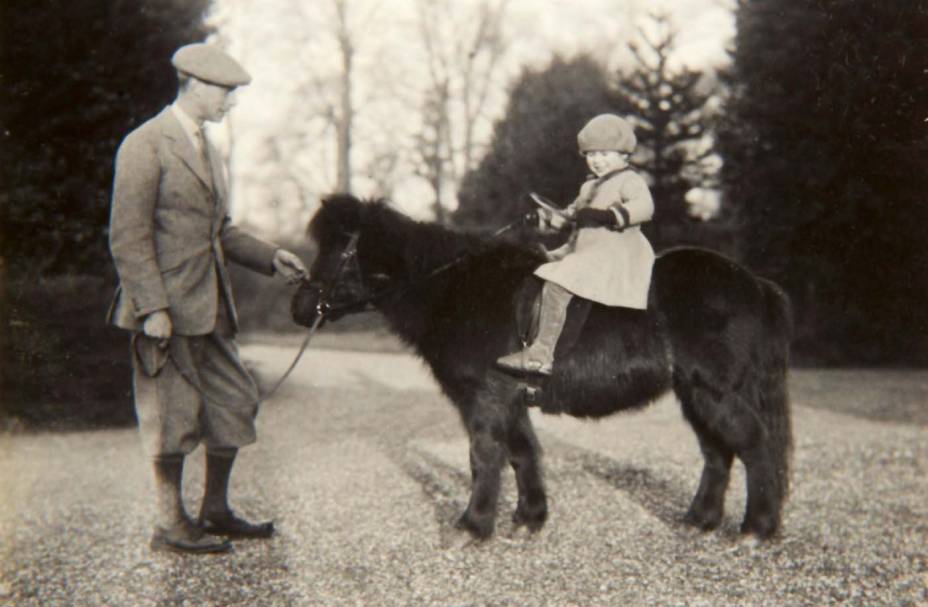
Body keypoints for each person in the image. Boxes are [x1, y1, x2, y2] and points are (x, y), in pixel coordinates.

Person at [107, 43, 309, 554]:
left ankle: (214, 511)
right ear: (194, 84)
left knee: (235, 402)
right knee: (171, 417)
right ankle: (170, 525)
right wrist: (152, 307)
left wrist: (271, 256)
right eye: (226, 92)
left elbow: (221, 230)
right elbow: (127, 236)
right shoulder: (145, 144)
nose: (231, 103)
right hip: (166, 312)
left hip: (210, 308)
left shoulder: (208, 150)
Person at [497, 113, 655, 375]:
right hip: (585, 250)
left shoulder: (630, 181)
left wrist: (608, 215)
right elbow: (570, 216)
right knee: (535, 265)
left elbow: (644, 207)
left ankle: (541, 355)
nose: (597, 161)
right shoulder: (588, 187)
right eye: (592, 155)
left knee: (557, 284)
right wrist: (548, 218)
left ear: (624, 155)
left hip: (616, 252)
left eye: (605, 154)